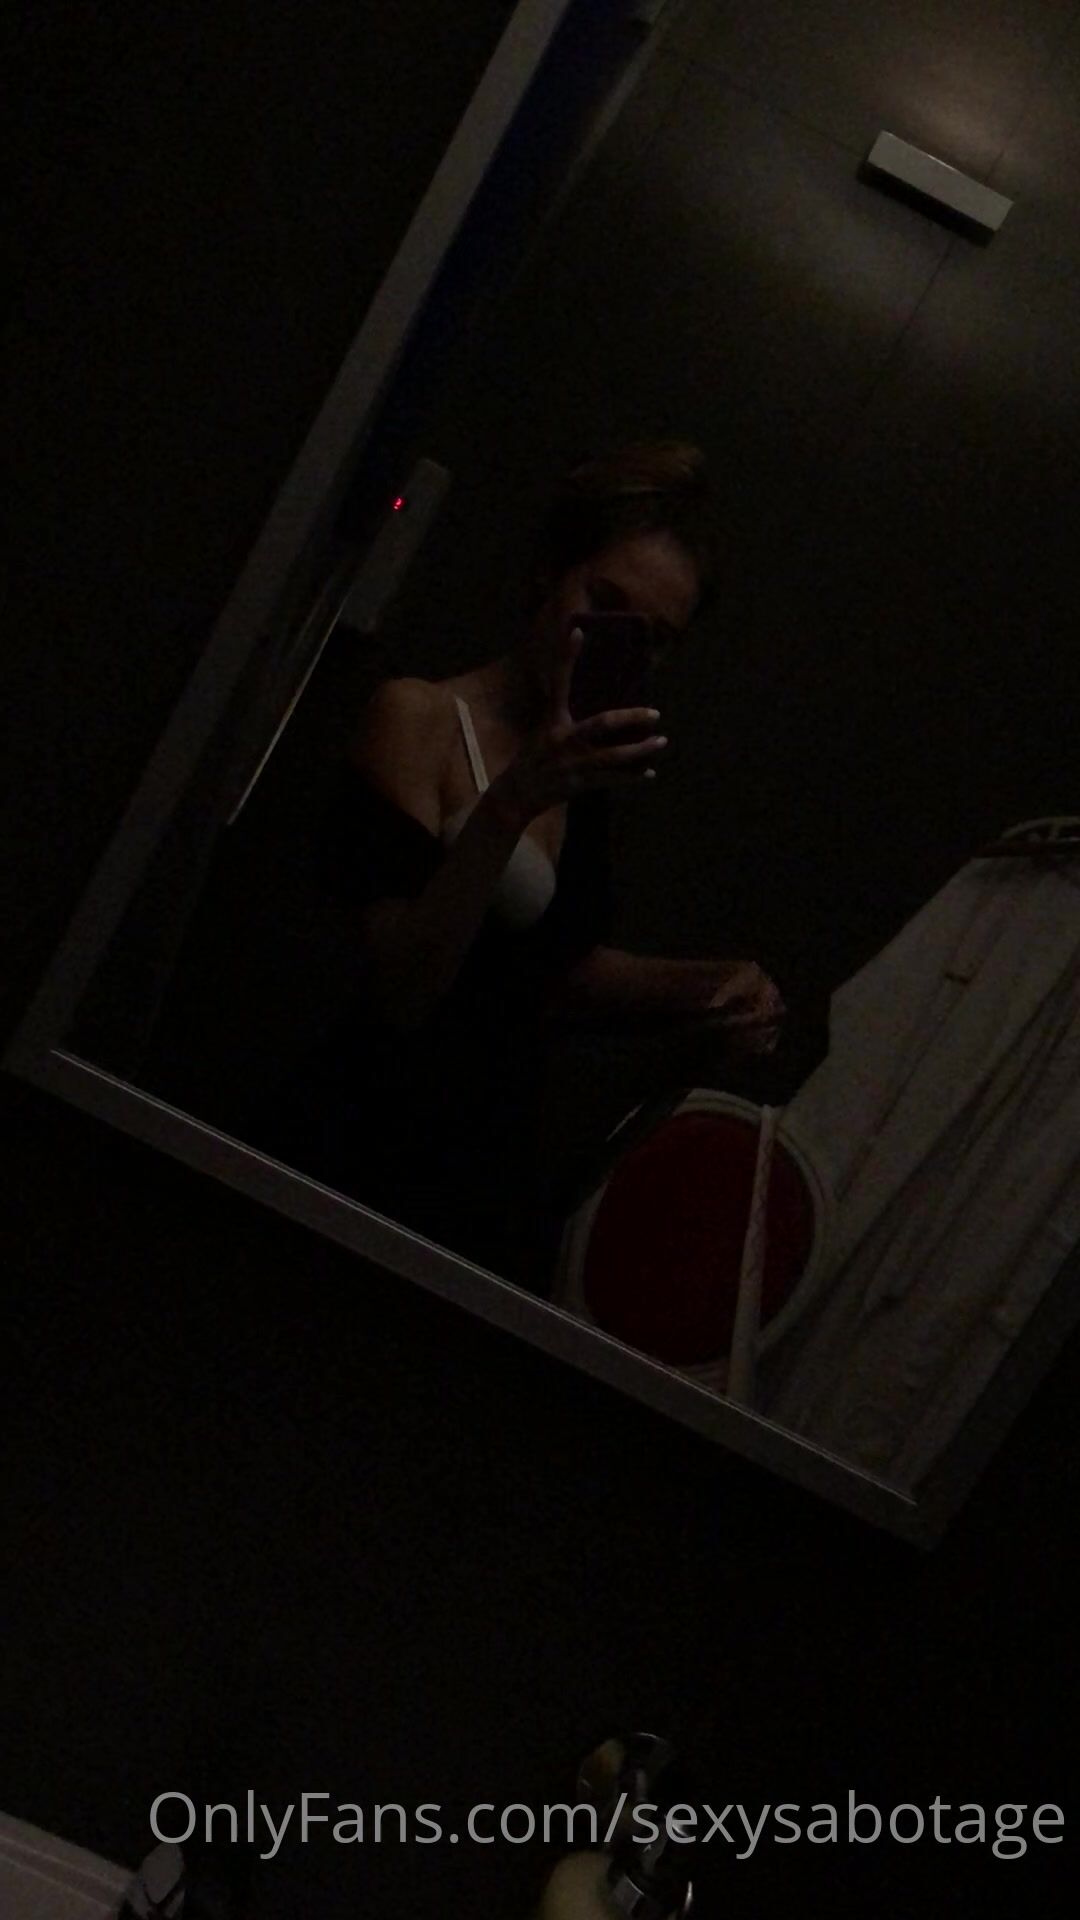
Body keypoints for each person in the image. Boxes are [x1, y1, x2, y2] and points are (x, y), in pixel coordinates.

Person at [258, 442, 786, 1286]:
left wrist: (709, 985)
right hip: (360, 1139)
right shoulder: (423, 718)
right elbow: (402, 986)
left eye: (651, 639)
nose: (614, 646)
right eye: (603, 605)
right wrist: (516, 797)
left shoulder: (582, 766)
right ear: (549, 573)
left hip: (485, 1167)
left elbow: (551, 971)